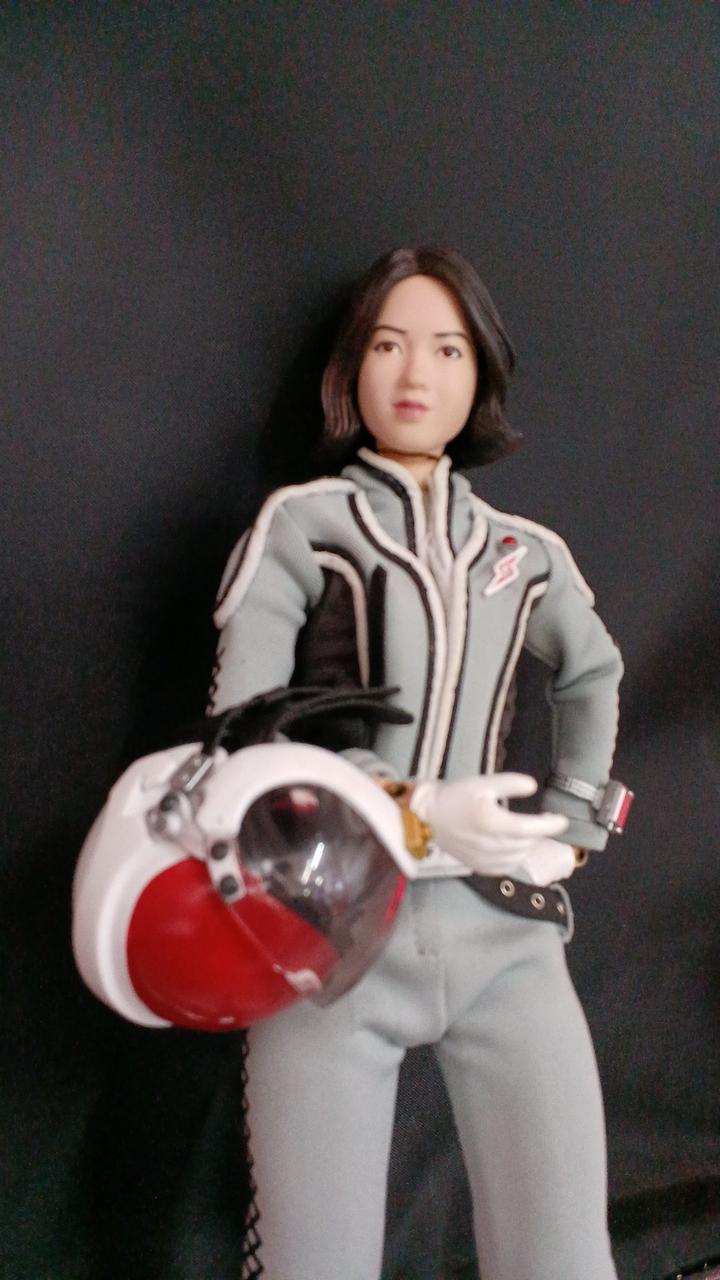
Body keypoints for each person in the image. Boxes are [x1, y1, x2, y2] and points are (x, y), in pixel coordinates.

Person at [209, 246, 625, 1280]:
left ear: (481, 373)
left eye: (448, 349)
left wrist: (574, 825)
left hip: (504, 930)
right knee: (315, 1260)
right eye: (389, 345)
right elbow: (239, 740)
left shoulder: (525, 550)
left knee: (565, 1254)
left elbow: (594, 672)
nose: (416, 373)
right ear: (351, 367)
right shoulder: (304, 525)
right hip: (330, 926)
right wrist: (416, 810)